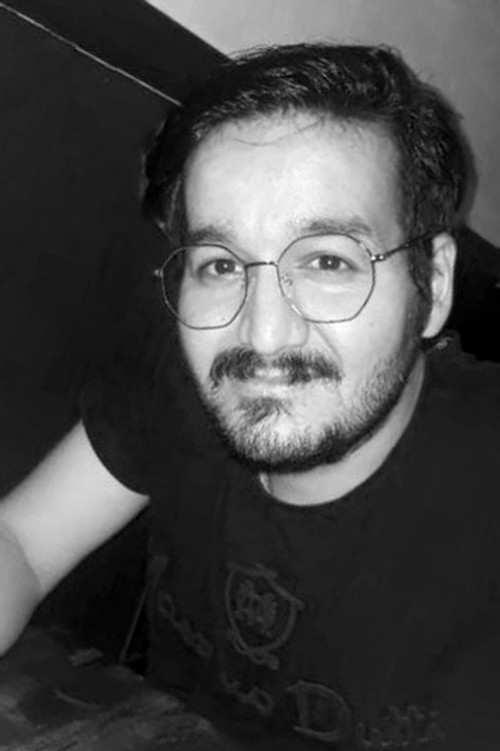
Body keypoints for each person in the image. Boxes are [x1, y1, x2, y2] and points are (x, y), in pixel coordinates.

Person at [0, 42, 499, 750]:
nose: (262, 334)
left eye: (327, 260)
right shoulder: (179, 374)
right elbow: (22, 543)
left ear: (435, 284)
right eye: (221, 264)